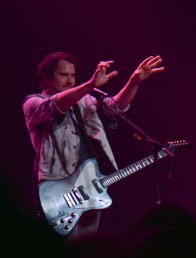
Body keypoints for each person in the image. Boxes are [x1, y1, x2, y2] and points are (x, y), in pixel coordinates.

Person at [23, 51, 164, 241]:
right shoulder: (32, 102)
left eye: (73, 75)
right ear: (47, 78)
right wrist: (89, 85)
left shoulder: (85, 100)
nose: (70, 81)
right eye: (64, 75)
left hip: (90, 187)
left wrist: (134, 81)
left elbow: (113, 108)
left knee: (87, 250)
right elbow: (56, 105)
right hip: (58, 192)